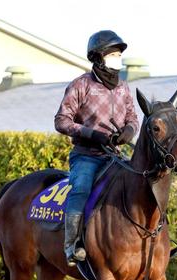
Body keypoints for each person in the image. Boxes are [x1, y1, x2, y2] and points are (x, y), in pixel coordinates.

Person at [54, 30, 139, 267]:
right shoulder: (81, 85)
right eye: (113, 54)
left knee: (142, 183)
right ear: (98, 57)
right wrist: (93, 134)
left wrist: (129, 132)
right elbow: (61, 121)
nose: (117, 59)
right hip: (87, 156)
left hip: (115, 156)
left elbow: (133, 117)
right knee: (80, 188)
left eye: (119, 55)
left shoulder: (123, 87)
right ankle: (72, 245)